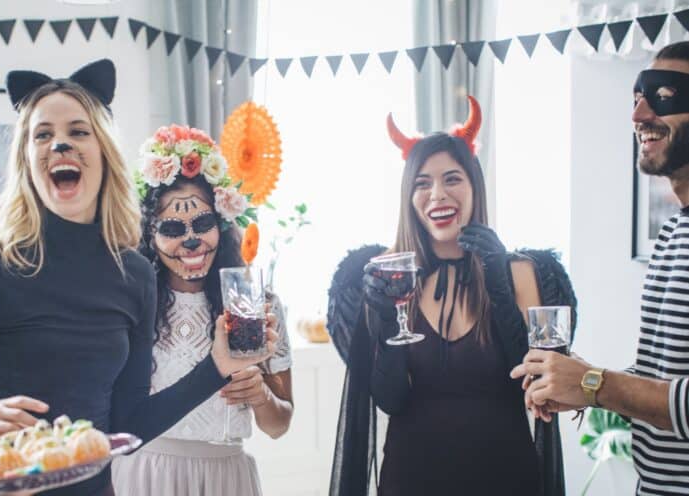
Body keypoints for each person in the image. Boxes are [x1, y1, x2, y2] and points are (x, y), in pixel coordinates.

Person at [0, 60, 277, 496]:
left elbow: (128, 425)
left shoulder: (135, 274)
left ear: (103, 152)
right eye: (42, 135)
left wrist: (217, 367)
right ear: (26, 159)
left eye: (78, 131)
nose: (60, 144)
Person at [327, 96, 577, 496]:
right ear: (409, 197)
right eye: (422, 183)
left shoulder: (522, 273)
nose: (437, 194)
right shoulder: (387, 276)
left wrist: (497, 283)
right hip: (411, 481)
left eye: (452, 179)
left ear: (475, 186)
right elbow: (391, 400)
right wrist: (387, 323)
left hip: (507, 481)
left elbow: (534, 385)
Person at [512, 41, 689, 495]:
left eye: (664, 95)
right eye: (637, 98)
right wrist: (583, 381)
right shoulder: (674, 232)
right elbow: (664, 381)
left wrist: (596, 384)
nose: (638, 115)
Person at [111, 124, 293, 495]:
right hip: (146, 475)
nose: (191, 241)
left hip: (226, 478)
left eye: (203, 223)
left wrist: (259, 394)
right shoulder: (131, 304)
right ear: (150, 235)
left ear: (222, 224)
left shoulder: (255, 303)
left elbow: (279, 426)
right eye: (172, 228)